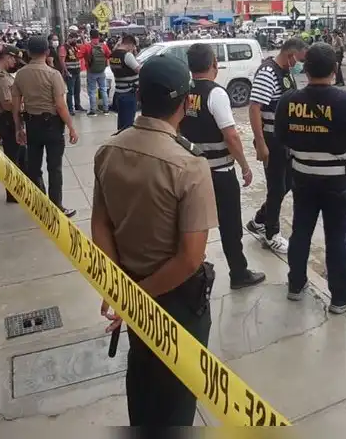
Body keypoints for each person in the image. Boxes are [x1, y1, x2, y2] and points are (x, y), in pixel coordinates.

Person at [91, 55, 216, 427]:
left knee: (143, 383)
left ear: (140, 95)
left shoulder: (109, 150)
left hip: (132, 285)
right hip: (176, 301)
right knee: (177, 398)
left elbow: (100, 224)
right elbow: (190, 258)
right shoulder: (189, 165)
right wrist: (139, 297)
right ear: (185, 103)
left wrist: (121, 289)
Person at [275, 43, 346, 313]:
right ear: (334, 69)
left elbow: (281, 138)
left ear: (304, 69)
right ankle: (340, 297)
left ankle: (295, 285)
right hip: (337, 182)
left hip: (303, 178)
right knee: (337, 236)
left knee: (301, 231)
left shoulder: (289, 101)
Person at [181, 43, 266, 288]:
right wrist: (245, 166)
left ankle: (190, 273)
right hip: (219, 173)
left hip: (192, 171)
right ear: (213, 65)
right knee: (230, 226)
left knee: (192, 226)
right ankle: (238, 274)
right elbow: (231, 136)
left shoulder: (184, 91)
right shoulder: (216, 93)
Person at [245, 37, 308, 254]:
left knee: (287, 183)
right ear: (290, 54)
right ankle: (271, 234)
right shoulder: (268, 72)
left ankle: (260, 219)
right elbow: (254, 109)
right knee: (276, 188)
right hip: (272, 140)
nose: (300, 64)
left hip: (285, 140)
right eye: (299, 59)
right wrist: (261, 144)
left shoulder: (285, 71)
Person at [12, 36, 80, 218]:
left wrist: (19, 128)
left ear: (28, 52)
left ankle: (40, 204)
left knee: (34, 166)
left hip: (32, 125)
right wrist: (71, 127)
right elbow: (60, 105)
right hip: (52, 126)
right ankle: (56, 206)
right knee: (54, 167)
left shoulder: (20, 74)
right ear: (47, 52)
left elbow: (16, 105)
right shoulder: (53, 74)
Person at [0, 46, 26, 203]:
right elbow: (7, 104)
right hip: (7, 120)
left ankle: (19, 190)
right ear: (7, 57)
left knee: (20, 156)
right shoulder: (0, 78)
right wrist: (23, 105)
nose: (15, 62)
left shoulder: (2, 74)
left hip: (8, 119)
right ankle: (13, 193)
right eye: (14, 59)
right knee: (13, 158)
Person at [109, 33, 142, 130]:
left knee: (121, 123)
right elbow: (139, 70)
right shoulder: (127, 55)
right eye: (133, 47)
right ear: (131, 44)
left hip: (119, 93)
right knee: (128, 124)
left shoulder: (113, 55)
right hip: (129, 93)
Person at [83, 29, 111, 115]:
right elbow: (109, 55)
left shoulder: (87, 46)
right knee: (103, 89)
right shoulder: (103, 46)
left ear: (90, 36)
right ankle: (106, 109)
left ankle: (93, 110)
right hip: (102, 71)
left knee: (92, 91)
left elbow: (78, 55)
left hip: (91, 71)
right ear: (98, 36)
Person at [62, 36, 85, 115]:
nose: (75, 41)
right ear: (69, 38)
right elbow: (62, 61)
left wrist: (82, 38)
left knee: (77, 90)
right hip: (70, 72)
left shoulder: (74, 47)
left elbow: (84, 46)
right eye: (74, 39)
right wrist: (66, 71)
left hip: (77, 71)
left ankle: (77, 105)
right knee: (70, 91)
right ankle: (70, 108)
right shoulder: (64, 48)